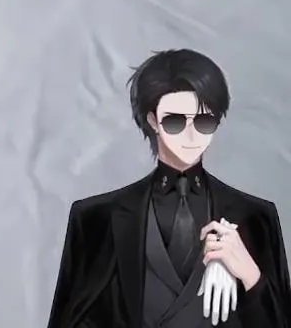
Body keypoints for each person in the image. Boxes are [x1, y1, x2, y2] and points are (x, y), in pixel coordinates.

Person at [46, 49, 290, 328]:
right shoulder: (95, 219)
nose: (191, 135)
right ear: (153, 120)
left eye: (204, 122)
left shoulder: (256, 217)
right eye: (175, 121)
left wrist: (249, 274)